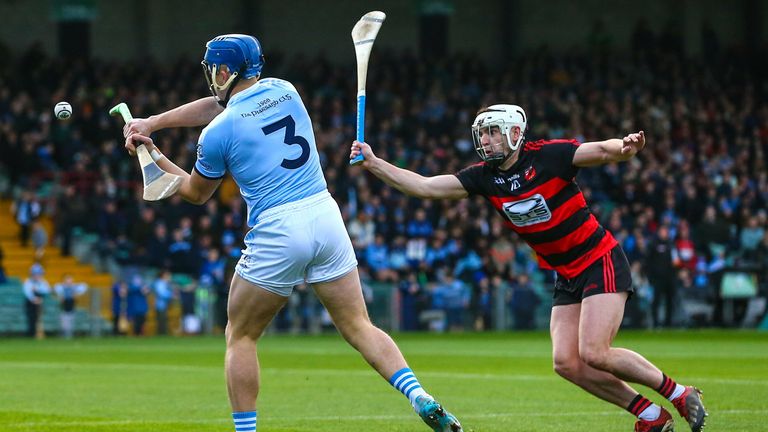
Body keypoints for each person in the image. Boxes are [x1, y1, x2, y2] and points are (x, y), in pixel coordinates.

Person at [122, 34, 461, 432]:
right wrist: (154, 122)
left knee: (241, 335)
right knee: (359, 325)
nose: (211, 77)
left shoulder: (217, 133)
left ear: (225, 71)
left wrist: (155, 155)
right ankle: (419, 395)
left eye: (214, 70)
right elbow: (219, 104)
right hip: (325, 216)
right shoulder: (285, 90)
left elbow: (196, 193)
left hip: (278, 229)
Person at [350, 104, 708, 432]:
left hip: (599, 259)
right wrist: (374, 162)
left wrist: (623, 148)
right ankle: (650, 415)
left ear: (515, 133)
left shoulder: (549, 156)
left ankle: (679, 393)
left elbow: (599, 150)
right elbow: (425, 186)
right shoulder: (484, 177)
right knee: (566, 362)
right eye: (482, 134)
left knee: (594, 352)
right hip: (566, 274)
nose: (485, 140)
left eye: (492, 132)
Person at [53, 274, 88, 339]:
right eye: (67, 280)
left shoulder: (74, 288)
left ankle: (69, 335)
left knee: (71, 321)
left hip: (72, 308)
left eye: (70, 280)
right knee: (64, 323)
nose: (69, 282)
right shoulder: (61, 287)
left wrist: (76, 293)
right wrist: (61, 296)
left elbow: (84, 286)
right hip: (64, 308)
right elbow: (58, 293)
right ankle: (64, 335)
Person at [22, 263, 50, 338]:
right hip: (31, 303)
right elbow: (27, 292)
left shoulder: (43, 282)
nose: (37, 276)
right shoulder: (28, 282)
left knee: (40, 318)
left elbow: (47, 290)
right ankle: (32, 333)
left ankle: (40, 333)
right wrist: (34, 299)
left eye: (39, 274)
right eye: (35, 274)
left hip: (41, 302)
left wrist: (37, 290)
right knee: (32, 318)